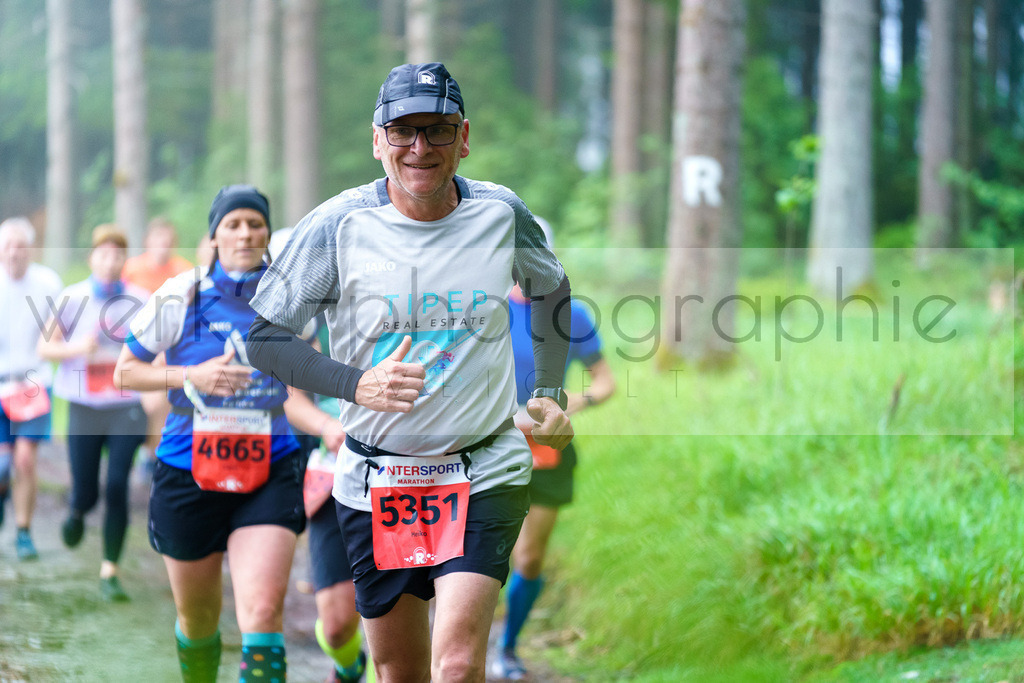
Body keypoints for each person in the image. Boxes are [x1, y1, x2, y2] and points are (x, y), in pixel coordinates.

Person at [246, 62, 574, 682]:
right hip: (377, 475)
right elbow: (264, 338)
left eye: (437, 130)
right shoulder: (337, 225)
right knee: (400, 670)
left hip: (484, 466)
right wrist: (353, 383)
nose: (419, 148)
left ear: (464, 137)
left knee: (454, 663)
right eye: (402, 132)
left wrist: (551, 392)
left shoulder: (500, 213)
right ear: (378, 141)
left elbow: (552, 292)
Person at [113, 185, 339, 682]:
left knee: (261, 613)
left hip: (271, 466)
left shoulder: (288, 300)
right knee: (198, 621)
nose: (245, 233)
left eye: (255, 224)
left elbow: (294, 394)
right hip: (188, 468)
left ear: (266, 233)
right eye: (233, 224)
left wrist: (328, 426)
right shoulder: (181, 293)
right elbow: (125, 372)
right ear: (214, 235)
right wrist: (188, 376)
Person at [491, 219, 616, 680]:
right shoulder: (484, 309)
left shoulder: (571, 315)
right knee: (483, 552)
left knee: (528, 557)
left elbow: (606, 381)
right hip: (490, 445)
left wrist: (575, 402)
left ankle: (506, 649)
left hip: (547, 449)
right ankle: (460, 637)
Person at [37, 224, 148, 601]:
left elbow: (158, 348)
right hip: (84, 405)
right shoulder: (72, 298)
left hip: (126, 406)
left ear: (124, 259)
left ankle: (109, 573)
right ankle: (77, 510)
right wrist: (75, 349)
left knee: (117, 485)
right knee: (86, 488)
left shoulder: (141, 299)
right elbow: (45, 348)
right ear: (92, 258)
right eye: (104, 253)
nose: (111, 260)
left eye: (118, 254)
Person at [0, 216, 63, 561]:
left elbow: (55, 333)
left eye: (20, 245)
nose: (13, 253)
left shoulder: (47, 283)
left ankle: (23, 531)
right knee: (3, 466)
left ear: (31, 249)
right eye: (7, 245)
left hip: (33, 381)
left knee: (25, 459)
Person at [122, 217, 194, 482]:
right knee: (153, 403)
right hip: (136, 344)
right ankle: (148, 452)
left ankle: (153, 454)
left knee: (158, 402)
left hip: (168, 348)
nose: (163, 245)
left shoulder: (183, 271)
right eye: (158, 239)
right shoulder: (132, 269)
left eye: (168, 240)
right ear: (148, 242)